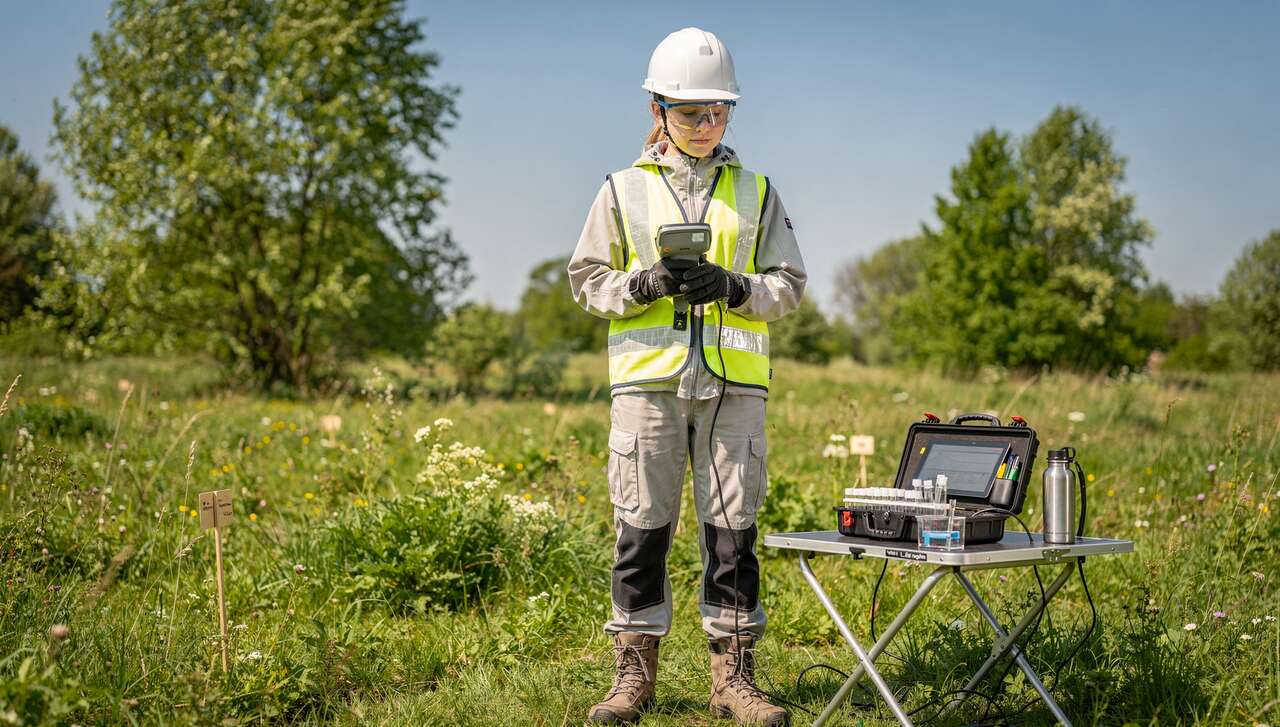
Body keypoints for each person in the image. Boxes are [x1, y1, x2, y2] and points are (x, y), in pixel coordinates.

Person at [568, 27, 807, 726]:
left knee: (733, 532)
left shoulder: (758, 192)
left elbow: (789, 286)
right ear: (657, 111)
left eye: (719, 112)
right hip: (647, 384)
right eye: (692, 112)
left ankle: (733, 676)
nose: (707, 125)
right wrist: (642, 283)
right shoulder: (620, 190)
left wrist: (734, 286)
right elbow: (586, 279)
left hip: (734, 387)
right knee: (641, 527)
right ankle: (633, 672)